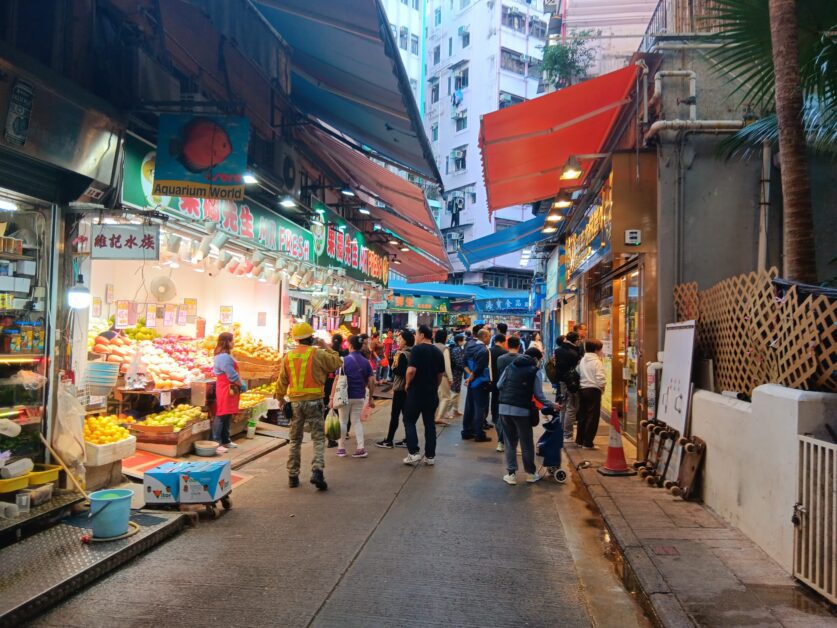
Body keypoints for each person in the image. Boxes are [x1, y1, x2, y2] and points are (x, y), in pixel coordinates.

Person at [276, 322, 344, 490]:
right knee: (319, 438)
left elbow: (282, 381)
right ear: (311, 338)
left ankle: (293, 476)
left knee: (295, 439)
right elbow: (337, 362)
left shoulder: (289, 357)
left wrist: (280, 399)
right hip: (315, 402)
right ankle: (317, 470)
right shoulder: (318, 354)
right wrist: (325, 345)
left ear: (296, 339)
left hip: (296, 403)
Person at [497, 347, 559, 485]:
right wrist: (553, 405)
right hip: (521, 410)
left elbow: (499, 385)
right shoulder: (535, 371)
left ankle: (511, 474)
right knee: (526, 443)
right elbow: (539, 395)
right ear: (536, 359)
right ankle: (530, 474)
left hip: (504, 408)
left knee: (510, 442)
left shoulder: (510, 366)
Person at [402, 325, 445, 465]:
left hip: (416, 393)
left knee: (409, 421)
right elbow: (440, 375)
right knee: (429, 425)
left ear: (421, 335)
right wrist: (434, 386)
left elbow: (410, 371)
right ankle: (430, 456)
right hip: (431, 394)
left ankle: (413, 453)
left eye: (417, 334)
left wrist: (407, 384)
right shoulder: (438, 352)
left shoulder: (417, 349)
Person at [332, 335, 375, 458]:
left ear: (350, 345)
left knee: (343, 421)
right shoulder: (366, 362)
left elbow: (336, 380)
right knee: (356, 421)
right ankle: (361, 448)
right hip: (359, 396)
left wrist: (331, 398)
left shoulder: (343, 360)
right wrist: (370, 398)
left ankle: (341, 448)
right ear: (361, 346)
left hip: (344, 396)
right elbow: (372, 381)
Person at [376, 329, 414, 448]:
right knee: (407, 417)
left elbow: (400, 371)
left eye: (401, 339)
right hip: (408, 390)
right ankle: (408, 439)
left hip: (400, 389)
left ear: (406, 341)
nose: (398, 340)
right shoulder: (412, 352)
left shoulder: (403, 354)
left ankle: (389, 440)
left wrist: (393, 367)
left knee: (395, 416)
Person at [212, 332, 246, 454]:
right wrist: (241, 384)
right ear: (227, 342)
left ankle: (226, 439)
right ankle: (216, 442)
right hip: (225, 388)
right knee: (221, 414)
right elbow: (231, 375)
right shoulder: (223, 357)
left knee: (228, 414)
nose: (234, 343)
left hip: (229, 388)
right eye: (232, 340)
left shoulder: (224, 355)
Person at [461, 327, 492, 442]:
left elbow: (463, 362)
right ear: (483, 337)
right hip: (480, 382)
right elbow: (479, 368)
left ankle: (466, 431)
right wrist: (472, 376)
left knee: (469, 407)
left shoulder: (469, 346)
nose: (490, 338)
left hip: (472, 382)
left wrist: (469, 376)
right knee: (480, 408)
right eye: (489, 336)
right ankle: (479, 434)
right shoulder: (484, 350)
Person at [577, 339, 607, 449]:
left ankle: (580, 440)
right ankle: (588, 442)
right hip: (593, 390)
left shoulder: (583, 360)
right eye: (600, 349)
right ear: (596, 349)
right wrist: (602, 387)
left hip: (582, 389)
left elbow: (578, 372)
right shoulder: (597, 361)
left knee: (583, 416)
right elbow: (600, 378)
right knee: (593, 417)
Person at [554, 331, 582, 442]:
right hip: (571, 382)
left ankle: (562, 430)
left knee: (564, 405)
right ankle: (567, 434)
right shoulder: (575, 353)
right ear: (576, 340)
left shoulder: (558, 350)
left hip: (561, 381)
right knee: (571, 407)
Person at [495, 335, 521, 451]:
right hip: (518, 392)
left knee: (503, 419)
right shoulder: (522, 359)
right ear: (519, 346)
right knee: (517, 419)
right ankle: (514, 444)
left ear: (507, 345)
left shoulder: (500, 359)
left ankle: (501, 442)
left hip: (503, 391)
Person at [324, 334, 348, 449]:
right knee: (340, 412)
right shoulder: (344, 354)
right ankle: (341, 434)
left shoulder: (325, 353)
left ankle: (329, 437)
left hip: (326, 385)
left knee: (328, 411)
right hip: (339, 385)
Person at [488, 332, 508, 448]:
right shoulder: (505, 353)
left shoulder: (489, 351)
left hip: (490, 379)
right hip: (501, 380)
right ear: (504, 341)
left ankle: (493, 415)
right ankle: (497, 417)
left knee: (492, 398)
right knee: (498, 399)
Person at [433, 329, 454, 426]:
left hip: (431, 375)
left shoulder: (432, 347)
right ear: (445, 338)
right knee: (446, 397)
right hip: (442, 376)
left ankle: (434, 416)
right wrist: (450, 378)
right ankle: (438, 417)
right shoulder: (444, 349)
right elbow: (447, 365)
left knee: (436, 397)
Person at [447, 333, 466, 418]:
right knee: (454, 393)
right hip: (456, 373)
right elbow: (459, 362)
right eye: (463, 339)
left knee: (457, 392)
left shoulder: (456, 348)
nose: (464, 341)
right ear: (459, 341)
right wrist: (466, 369)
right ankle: (446, 411)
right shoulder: (457, 350)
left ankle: (455, 410)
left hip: (457, 373)